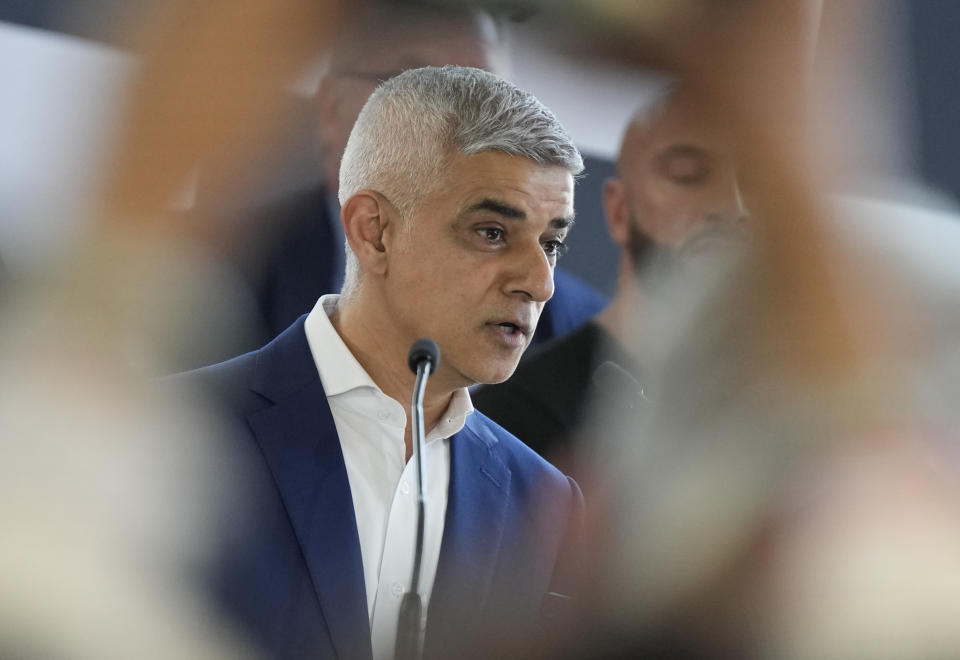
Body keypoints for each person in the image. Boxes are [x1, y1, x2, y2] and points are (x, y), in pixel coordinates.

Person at [176, 66, 585, 660]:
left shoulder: (543, 503)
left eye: (551, 243)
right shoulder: (178, 428)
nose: (540, 283)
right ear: (375, 233)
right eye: (493, 232)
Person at [203, 5, 604, 371]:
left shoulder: (587, 341)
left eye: (486, 96)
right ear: (330, 110)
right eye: (412, 87)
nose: (458, 127)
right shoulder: (216, 270)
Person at [472, 85, 748, 471]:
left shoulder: (789, 419)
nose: (732, 206)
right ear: (619, 211)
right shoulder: (515, 425)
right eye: (689, 175)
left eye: (756, 182)